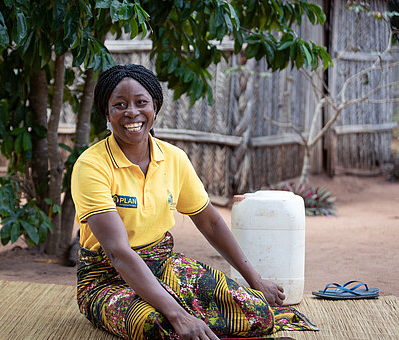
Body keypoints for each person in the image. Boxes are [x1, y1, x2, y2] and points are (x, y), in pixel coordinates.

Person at [71, 64, 316, 340]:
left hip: (164, 264)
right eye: (120, 105)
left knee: (255, 311)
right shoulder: (91, 166)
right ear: (107, 112)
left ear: (155, 107)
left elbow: (210, 222)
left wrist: (255, 280)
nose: (132, 113)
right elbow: (117, 253)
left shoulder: (174, 159)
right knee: (158, 325)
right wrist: (179, 314)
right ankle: (183, 315)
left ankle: (192, 317)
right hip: (106, 279)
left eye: (141, 103)